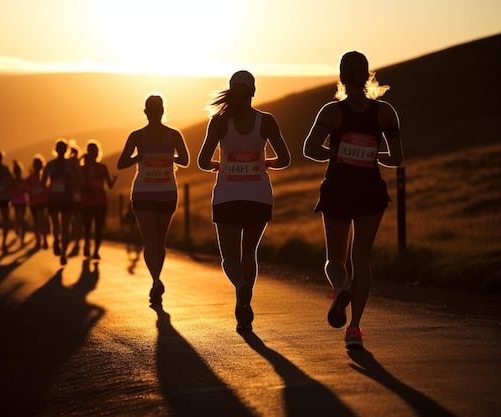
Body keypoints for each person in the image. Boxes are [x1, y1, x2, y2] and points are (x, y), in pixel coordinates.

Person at [303, 51, 403, 349]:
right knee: (361, 259)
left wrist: (337, 153)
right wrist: (371, 155)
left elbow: (310, 148)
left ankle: (339, 289)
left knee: (336, 258)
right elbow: (396, 158)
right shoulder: (385, 113)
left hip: (337, 188)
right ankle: (355, 328)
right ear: (368, 75)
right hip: (370, 190)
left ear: (341, 77)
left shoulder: (331, 112)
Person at [198, 70, 291, 331]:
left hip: (227, 197)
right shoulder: (267, 121)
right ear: (253, 91)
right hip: (259, 197)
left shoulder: (217, 122)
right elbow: (285, 159)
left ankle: (240, 287)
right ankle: (246, 298)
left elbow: (202, 161)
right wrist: (264, 162)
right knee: (249, 252)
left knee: (229, 257)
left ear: (231, 90)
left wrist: (221, 164)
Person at [117, 93, 189, 305]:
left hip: (144, 193)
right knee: (159, 241)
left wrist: (139, 157)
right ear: (163, 110)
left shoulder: (137, 136)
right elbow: (185, 160)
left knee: (150, 241)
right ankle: (156, 280)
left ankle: (156, 280)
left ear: (146, 112)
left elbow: (121, 164)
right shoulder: (174, 135)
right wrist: (169, 157)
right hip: (167, 193)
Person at [41, 138, 85, 265]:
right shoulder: (71, 165)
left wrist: (52, 184)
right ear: (66, 150)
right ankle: (63, 254)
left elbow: (42, 183)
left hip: (54, 198)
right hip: (66, 198)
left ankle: (56, 240)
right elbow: (81, 182)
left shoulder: (50, 164)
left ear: (55, 150)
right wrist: (69, 182)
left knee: (56, 224)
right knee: (65, 227)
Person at [80, 139, 117, 259]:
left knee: (88, 227)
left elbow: (79, 185)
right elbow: (110, 186)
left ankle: (88, 245)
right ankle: (95, 251)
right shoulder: (102, 167)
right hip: (99, 201)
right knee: (97, 228)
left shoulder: (83, 168)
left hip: (88, 202)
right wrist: (114, 179)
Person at [23, 154, 49, 250]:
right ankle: (39, 240)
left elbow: (49, 188)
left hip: (43, 202)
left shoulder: (45, 177)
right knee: (37, 222)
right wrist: (31, 189)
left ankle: (44, 239)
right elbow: (24, 188)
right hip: (34, 202)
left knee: (43, 221)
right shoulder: (30, 178)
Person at [10, 160, 27, 245]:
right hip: (19, 200)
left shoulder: (16, 180)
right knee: (20, 217)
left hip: (19, 200)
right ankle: (20, 230)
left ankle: (20, 230)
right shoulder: (20, 180)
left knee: (19, 216)